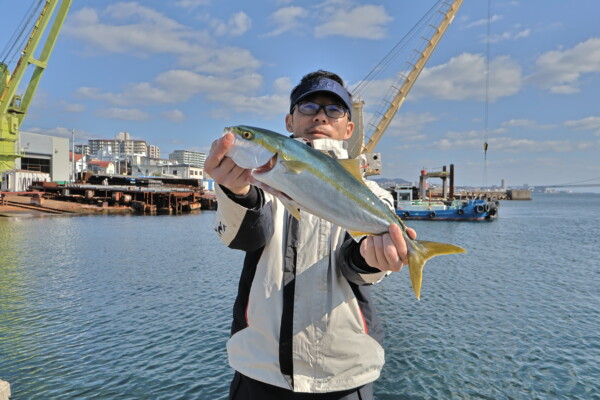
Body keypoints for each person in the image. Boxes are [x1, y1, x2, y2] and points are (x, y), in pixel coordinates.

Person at [205, 70, 416, 400]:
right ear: (288, 121)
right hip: (259, 371)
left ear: (349, 128)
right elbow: (247, 237)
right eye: (308, 106)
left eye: (334, 109)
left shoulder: (373, 193)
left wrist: (374, 259)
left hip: (343, 376)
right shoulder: (258, 183)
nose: (320, 114)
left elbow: (355, 261)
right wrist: (235, 190)